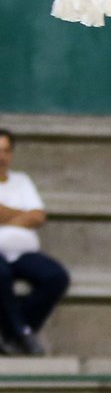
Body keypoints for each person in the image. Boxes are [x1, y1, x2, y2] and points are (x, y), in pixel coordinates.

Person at [0, 128, 70, 355]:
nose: (2, 157)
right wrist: (23, 215)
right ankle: (22, 334)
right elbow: (30, 215)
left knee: (56, 277)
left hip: (23, 252)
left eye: (6, 151)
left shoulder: (21, 181)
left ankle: (13, 334)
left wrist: (6, 216)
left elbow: (39, 216)